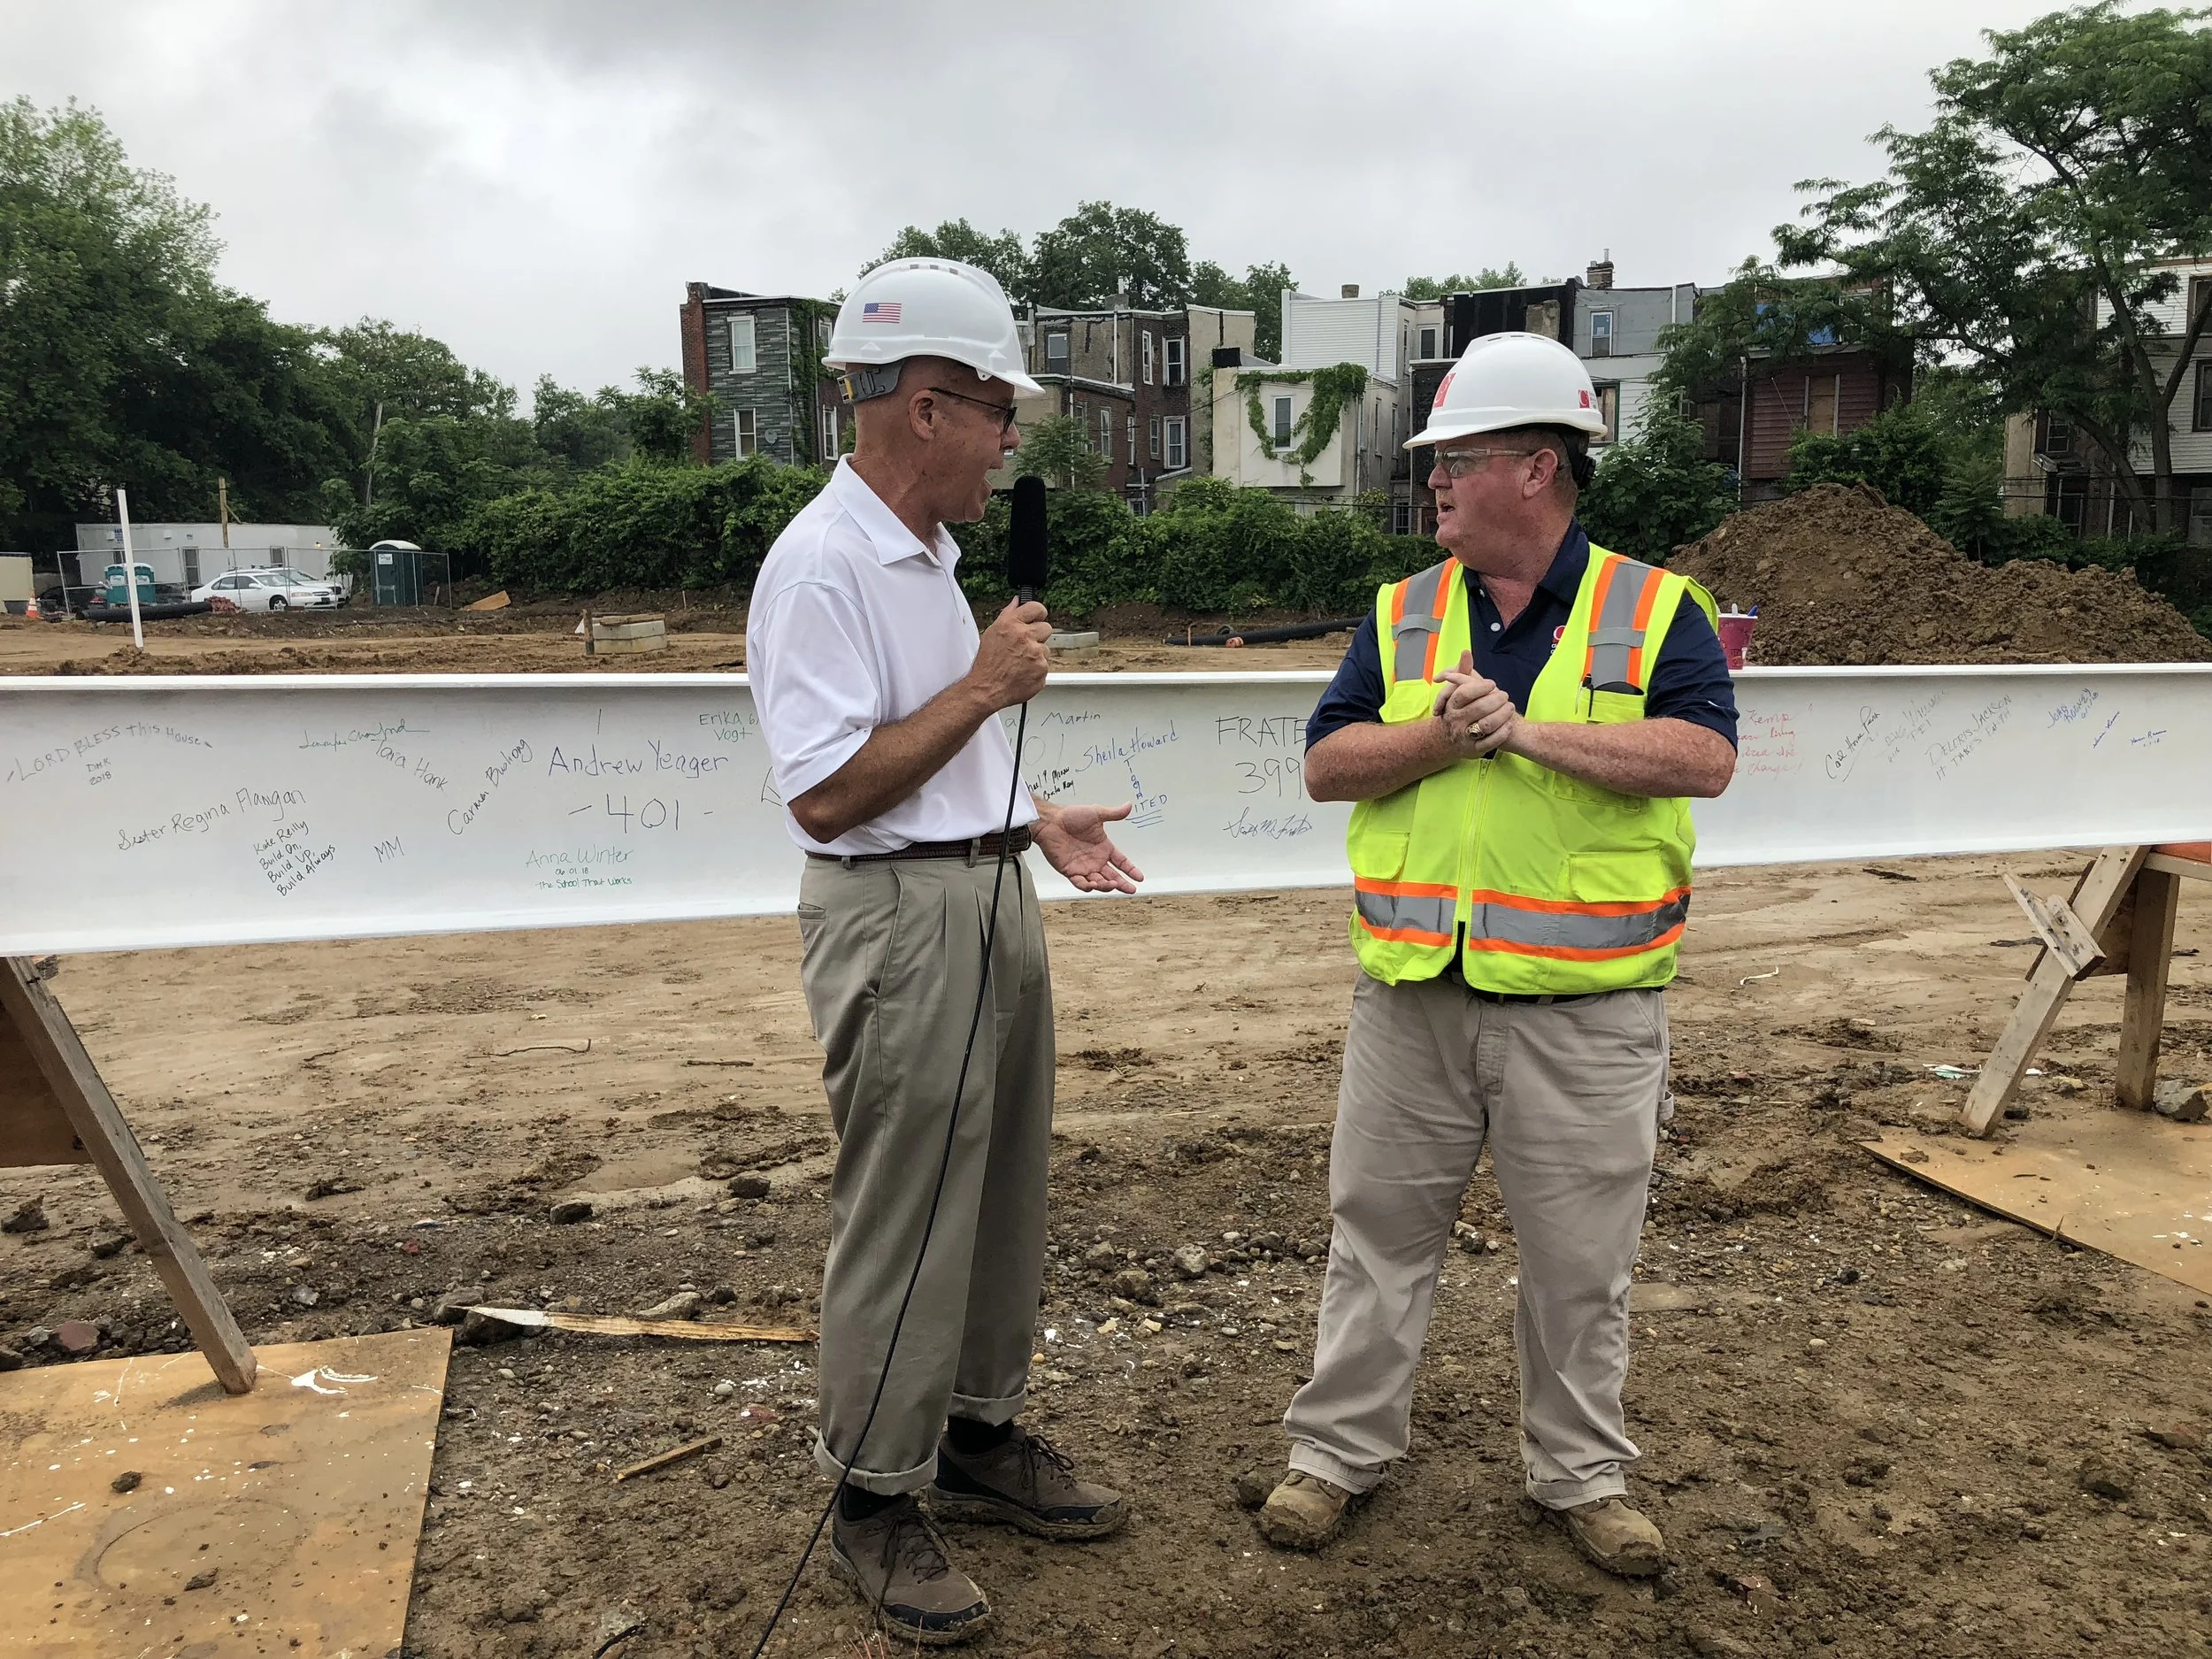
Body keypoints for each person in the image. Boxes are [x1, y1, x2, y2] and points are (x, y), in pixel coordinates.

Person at [1256, 332, 1739, 1579]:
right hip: (1413, 995)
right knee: (1374, 1238)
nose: (1434, 484)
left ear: (1535, 468)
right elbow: (1325, 765)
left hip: (1585, 1011)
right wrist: (1440, 738)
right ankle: (1336, 1454)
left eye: (1455, 460)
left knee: (1582, 1264)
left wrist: (1525, 733)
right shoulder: (1402, 611)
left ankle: (1582, 1475)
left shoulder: (1656, 608)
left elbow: (1702, 758)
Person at [748, 257, 1145, 1646]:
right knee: (907, 1210)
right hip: (898, 926)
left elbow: (918, 765)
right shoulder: (823, 566)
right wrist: (986, 686)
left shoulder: (932, 558)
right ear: (926, 407)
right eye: (995, 410)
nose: (1009, 440)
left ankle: (974, 1432)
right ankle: (870, 1495)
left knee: (995, 1191)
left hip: (984, 894)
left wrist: (1025, 818)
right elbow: (827, 794)